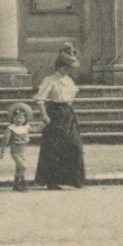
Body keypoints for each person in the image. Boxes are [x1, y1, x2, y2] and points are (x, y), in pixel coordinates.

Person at [34, 44, 87, 189]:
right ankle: (52, 181)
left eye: (68, 69)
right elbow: (40, 99)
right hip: (54, 114)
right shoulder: (49, 80)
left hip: (67, 114)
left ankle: (74, 180)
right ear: (58, 66)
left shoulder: (68, 80)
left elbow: (71, 96)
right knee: (54, 148)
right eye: (64, 68)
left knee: (74, 145)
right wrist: (44, 115)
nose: (66, 71)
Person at [0, 101, 34, 192]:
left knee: (19, 168)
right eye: (16, 117)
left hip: (23, 151)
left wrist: (44, 124)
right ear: (12, 118)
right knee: (23, 167)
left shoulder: (26, 127)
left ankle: (16, 184)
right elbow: (5, 140)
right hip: (15, 151)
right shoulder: (11, 128)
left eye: (21, 117)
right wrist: (2, 151)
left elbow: (36, 129)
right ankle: (23, 182)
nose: (19, 120)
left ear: (25, 118)